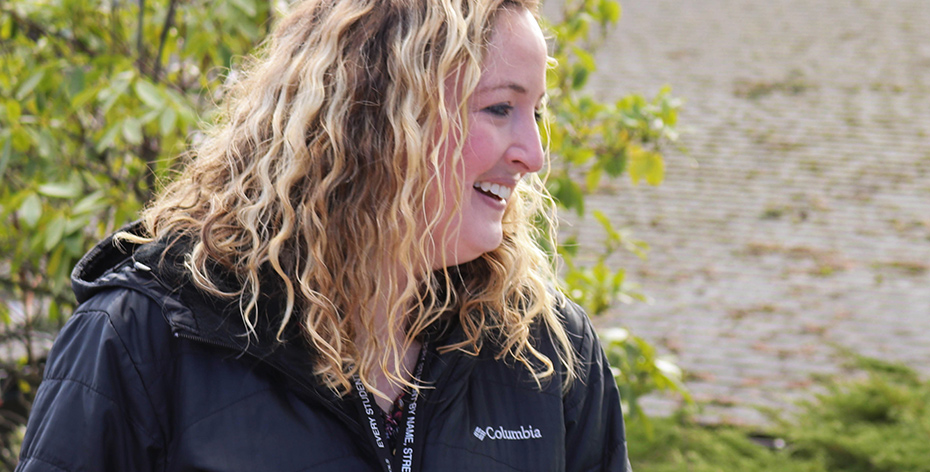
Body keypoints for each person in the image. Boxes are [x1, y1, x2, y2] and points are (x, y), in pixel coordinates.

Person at [17, 0, 630, 470]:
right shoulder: (143, 340)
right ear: (379, 117)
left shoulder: (551, 356)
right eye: (501, 108)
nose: (535, 155)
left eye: (538, 113)